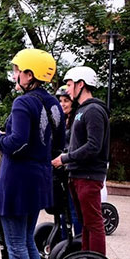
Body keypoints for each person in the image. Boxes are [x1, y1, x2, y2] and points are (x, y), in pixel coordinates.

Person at [0, 48, 64, 259]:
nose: (15, 75)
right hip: (39, 179)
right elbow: (59, 144)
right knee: (27, 242)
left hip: (17, 181)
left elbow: (17, 143)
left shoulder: (23, 102)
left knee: (16, 245)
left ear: (29, 74)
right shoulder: (55, 103)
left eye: (17, 70)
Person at [52, 66, 109, 255]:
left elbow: (94, 146)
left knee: (93, 223)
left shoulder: (93, 110)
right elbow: (77, 144)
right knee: (84, 224)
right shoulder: (81, 111)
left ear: (81, 84)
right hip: (77, 174)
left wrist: (65, 158)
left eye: (69, 84)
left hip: (89, 176)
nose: (67, 89)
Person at [55, 85, 81, 236]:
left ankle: (77, 243)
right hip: (60, 171)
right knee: (61, 211)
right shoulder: (61, 121)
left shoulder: (76, 123)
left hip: (71, 170)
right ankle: (63, 241)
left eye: (66, 100)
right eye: (60, 101)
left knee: (73, 211)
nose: (62, 104)